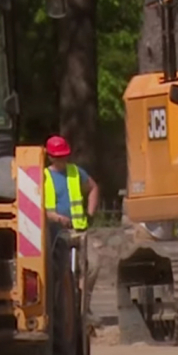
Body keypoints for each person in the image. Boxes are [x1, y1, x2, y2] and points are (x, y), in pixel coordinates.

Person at [42, 135, 102, 328]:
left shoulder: (76, 172)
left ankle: (84, 307)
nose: (62, 160)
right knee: (60, 272)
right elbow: (36, 207)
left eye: (64, 156)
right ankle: (62, 309)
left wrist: (90, 212)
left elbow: (93, 188)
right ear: (50, 157)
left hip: (79, 230)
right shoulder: (42, 177)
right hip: (54, 234)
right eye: (57, 157)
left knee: (92, 265)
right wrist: (56, 218)